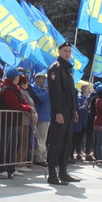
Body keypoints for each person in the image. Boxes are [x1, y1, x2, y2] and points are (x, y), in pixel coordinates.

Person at [46, 42, 80, 185]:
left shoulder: (68, 69)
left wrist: (75, 110)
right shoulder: (56, 68)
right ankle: (52, 174)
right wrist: (58, 112)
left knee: (66, 143)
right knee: (57, 142)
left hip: (69, 112)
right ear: (59, 52)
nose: (67, 53)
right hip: (60, 112)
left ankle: (63, 172)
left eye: (69, 51)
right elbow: (56, 93)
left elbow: (71, 92)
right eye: (65, 51)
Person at [0, 68, 36, 178]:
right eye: (18, 76)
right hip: (6, 120)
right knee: (4, 143)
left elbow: (22, 101)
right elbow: (14, 104)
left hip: (13, 120)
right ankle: (1, 168)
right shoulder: (7, 89)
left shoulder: (14, 88)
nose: (19, 77)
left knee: (13, 143)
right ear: (15, 78)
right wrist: (28, 109)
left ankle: (11, 168)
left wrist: (28, 107)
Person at [17, 74, 38, 172]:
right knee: (22, 141)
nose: (28, 83)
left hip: (28, 120)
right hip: (23, 120)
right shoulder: (21, 92)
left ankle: (22, 162)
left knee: (25, 141)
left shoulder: (26, 92)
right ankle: (19, 163)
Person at [31, 72, 50, 167]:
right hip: (41, 117)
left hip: (46, 116)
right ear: (37, 79)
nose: (44, 81)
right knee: (40, 138)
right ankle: (39, 159)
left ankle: (42, 157)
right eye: (42, 78)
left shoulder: (43, 90)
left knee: (43, 138)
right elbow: (41, 98)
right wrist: (49, 91)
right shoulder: (34, 88)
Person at [71, 83, 89, 162]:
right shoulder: (80, 98)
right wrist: (83, 107)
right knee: (76, 139)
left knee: (81, 139)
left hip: (84, 121)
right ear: (84, 89)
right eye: (87, 88)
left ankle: (78, 153)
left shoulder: (87, 98)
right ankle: (74, 154)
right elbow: (78, 109)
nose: (89, 90)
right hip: (79, 122)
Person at [93, 83, 102, 161]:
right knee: (99, 141)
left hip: (99, 123)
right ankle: (99, 158)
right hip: (99, 123)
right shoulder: (99, 101)